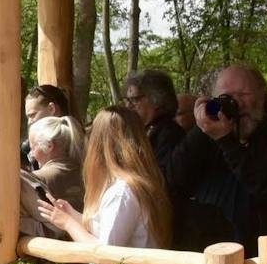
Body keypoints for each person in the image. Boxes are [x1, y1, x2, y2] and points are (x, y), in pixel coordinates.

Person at [163, 64, 267, 250]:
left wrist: (225, 140)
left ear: (262, 94)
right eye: (227, 97)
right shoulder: (211, 129)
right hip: (212, 250)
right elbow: (174, 178)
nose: (236, 103)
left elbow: (265, 188)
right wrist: (201, 129)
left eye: (244, 95)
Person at [36, 106, 171, 251]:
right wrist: (71, 214)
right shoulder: (131, 185)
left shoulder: (123, 192)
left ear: (99, 143)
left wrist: (68, 223)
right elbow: (106, 230)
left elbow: (105, 256)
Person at [123, 68, 185, 165]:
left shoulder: (170, 135)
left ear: (157, 99)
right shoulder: (142, 131)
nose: (128, 106)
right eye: (127, 100)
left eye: (134, 100)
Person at [27, 115, 84, 210]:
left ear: (49, 146)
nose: (31, 154)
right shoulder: (86, 172)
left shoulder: (37, 179)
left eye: (33, 148)